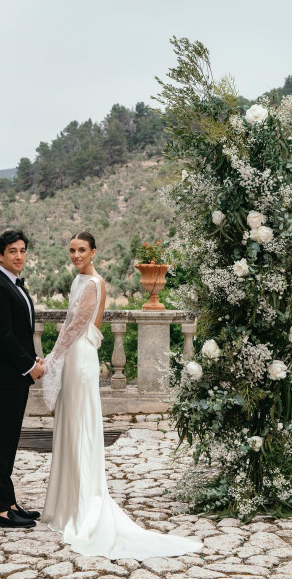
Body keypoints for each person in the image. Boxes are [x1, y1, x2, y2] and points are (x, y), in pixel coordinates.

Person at [41, 231, 202, 559]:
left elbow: (77, 326)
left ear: (94, 252)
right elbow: (72, 324)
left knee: (81, 428)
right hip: (75, 355)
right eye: (72, 250)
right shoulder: (78, 281)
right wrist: (57, 357)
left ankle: (83, 506)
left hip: (80, 357)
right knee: (71, 426)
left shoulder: (93, 283)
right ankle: (68, 505)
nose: (76, 255)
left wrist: (53, 358)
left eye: (82, 250)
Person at [0, 229, 44, 528]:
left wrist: (34, 359)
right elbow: (4, 336)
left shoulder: (14, 284)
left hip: (16, 375)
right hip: (8, 376)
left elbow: (21, 332)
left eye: (22, 250)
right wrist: (29, 366)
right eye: (12, 251)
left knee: (9, 443)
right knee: (1, 443)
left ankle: (8, 503)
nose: (19, 256)